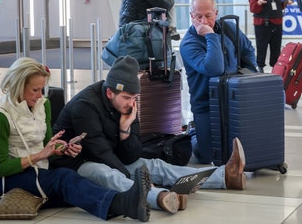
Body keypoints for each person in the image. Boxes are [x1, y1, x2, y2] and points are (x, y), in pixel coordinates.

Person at [50, 55, 247, 214]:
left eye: (134, 97)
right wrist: (136, 178)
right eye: (126, 98)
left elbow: (132, 155)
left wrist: (125, 130)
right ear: (110, 93)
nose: (131, 103)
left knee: (154, 165)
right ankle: (159, 197)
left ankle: (225, 176)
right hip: (78, 163)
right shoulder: (86, 106)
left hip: (109, 156)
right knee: (109, 175)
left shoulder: (128, 105)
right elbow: (99, 152)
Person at [0, 57, 151, 222]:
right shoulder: (0, 116)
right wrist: (41, 155)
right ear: (18, 86)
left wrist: (61, 148)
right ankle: (123, 203)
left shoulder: (43, 105)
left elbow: (46, 144)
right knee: (65, 179)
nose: (40, 95)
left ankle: (120, 203)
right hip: (12, 176)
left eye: (42, 89)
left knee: (75, 186)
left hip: (40, 169)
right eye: (35, 90)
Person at [179, 0, 257, 164]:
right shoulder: (188, 44)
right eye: (198, 16)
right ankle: (193, 131)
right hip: (206, 105)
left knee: (239, 149)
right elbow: (214, 68)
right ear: (191, 16)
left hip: (233, 100)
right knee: (207, 157)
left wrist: (248, 76)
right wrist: (210, 36)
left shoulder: (230, 28)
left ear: (216, 13)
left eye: (208, 15)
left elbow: (247, 50)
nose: (204, 21)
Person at [249, 0, 293, 73]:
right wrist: (259, 3)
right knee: (262, 47)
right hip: (263, 25)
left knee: (276, 47)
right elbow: (253, 9)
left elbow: (278, 5)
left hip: (277, 24)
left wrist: (285, 2)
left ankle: (275, 66)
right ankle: (260, 66)